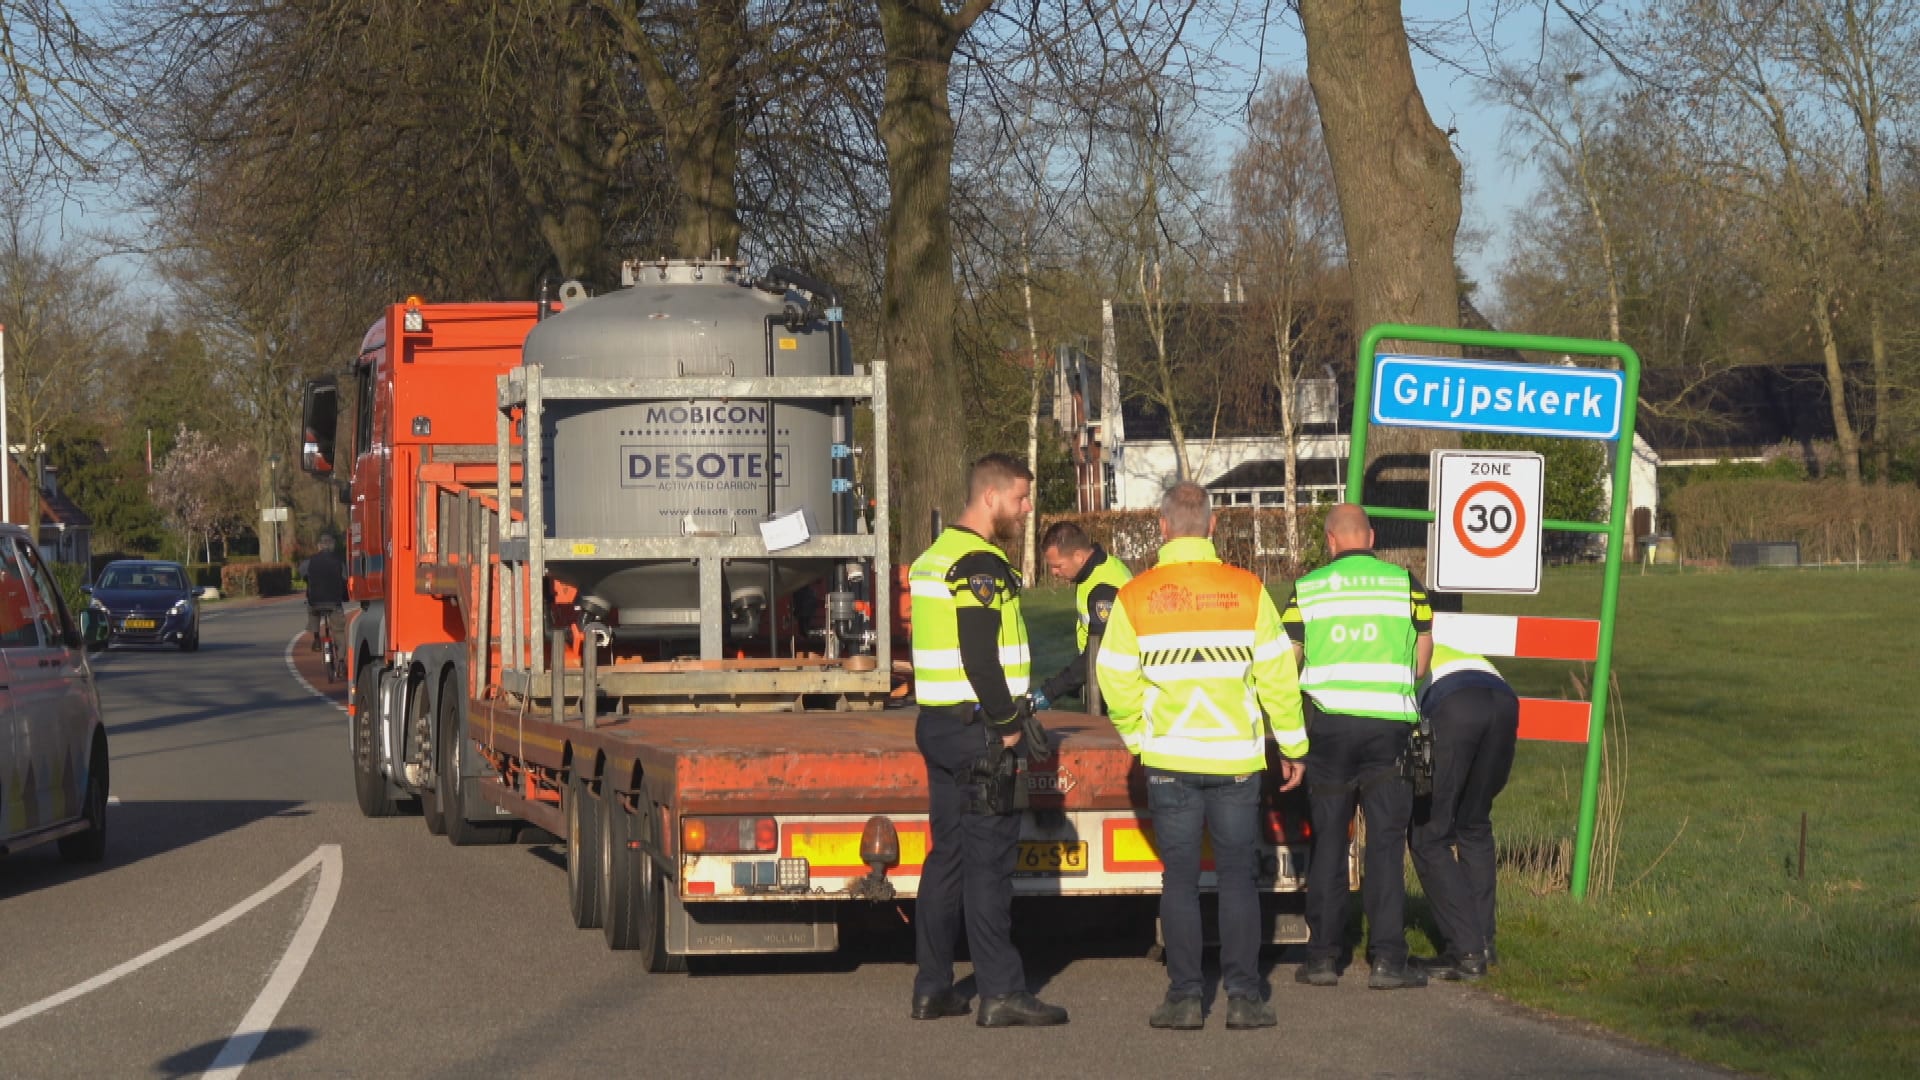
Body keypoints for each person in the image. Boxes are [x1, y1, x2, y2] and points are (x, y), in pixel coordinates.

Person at [1096, 481, 1307, 1030]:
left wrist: (1137, 736)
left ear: (1162, 528)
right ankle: (1242, 997)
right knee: (1238, 878)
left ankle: (1185, 998)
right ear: (1213, 527)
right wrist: (1294, 744)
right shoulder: (1247, 589)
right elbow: (1278, 675)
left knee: (1181, 880)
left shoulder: (1136, 595)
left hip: (1169, 760)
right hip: (1236, 760)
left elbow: (1114, 676)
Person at [907, 453, 1069, 1028]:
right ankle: (1001, 990)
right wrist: (1005, 725)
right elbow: (978, 652)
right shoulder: (979, 563)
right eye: (1022, 499)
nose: (1027, 510)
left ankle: (932, 987)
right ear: (992, 497)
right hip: (980, 730)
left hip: (938, 724)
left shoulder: (932, 559)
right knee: (989, 864)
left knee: (946, 857)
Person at [1283, 504, 1433, 990]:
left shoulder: (1307, 589)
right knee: (1385, 844)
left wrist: (1290, 728)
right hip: (1388, 730)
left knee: (1329, 842)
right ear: (1370, 537)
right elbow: (1424, 652)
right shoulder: (1405, 582)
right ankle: (1388, 960)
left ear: (1330, 541)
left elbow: (1291, 659)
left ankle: (1323, 958)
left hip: (1329, 731)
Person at [1409, 642, 1519, 979]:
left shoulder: (1384, 653)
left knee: (1428, 836)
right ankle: (1484, 941)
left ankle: (1466, 951)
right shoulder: (1437, 644)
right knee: (1474, 823)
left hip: (1453, 703)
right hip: (1503, 698)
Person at [1033, 520, 1132, 714]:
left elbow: (1097, 653)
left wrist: (1050, 692)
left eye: (1058, 566)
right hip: (1107, 681)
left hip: (1118, 690)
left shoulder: (1103, 588)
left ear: (1078, 556)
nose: (1053, 572)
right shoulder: (1096, 571)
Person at [303, 534, 348, 651]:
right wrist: (345, 596)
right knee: (339, 632)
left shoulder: (310, 561)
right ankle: (342, 661)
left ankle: (316, 638)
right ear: (332, 546)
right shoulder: (339, 562)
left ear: (319, 546)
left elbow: (303, 573)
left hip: (315, 601)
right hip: (334, 603)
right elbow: (345, 579)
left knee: (312, 610)